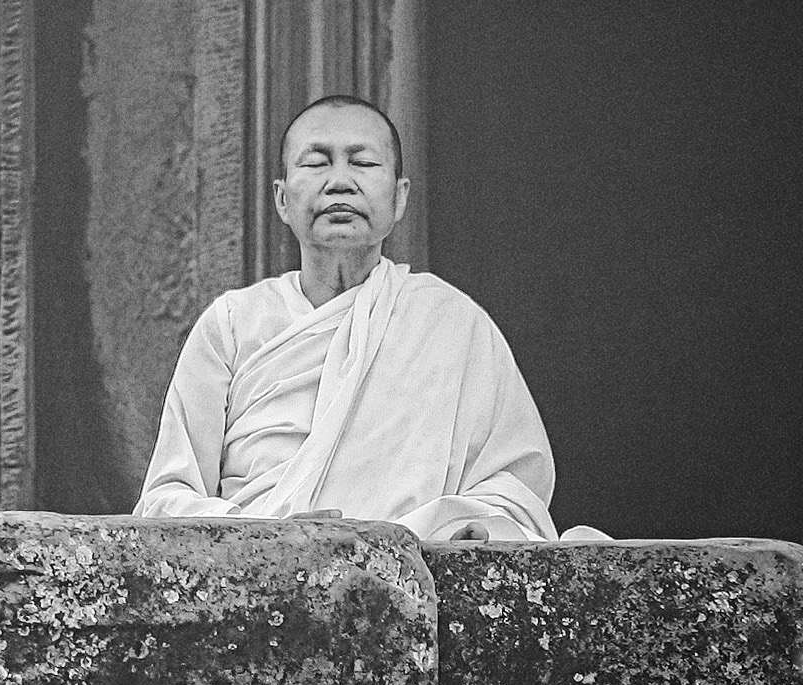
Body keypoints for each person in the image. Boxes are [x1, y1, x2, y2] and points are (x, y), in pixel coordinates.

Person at [134, 94, 594, 541]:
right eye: (316, 162)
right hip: (257, 584)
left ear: (398, 198)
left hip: (415, 579)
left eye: (364, 163)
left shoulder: (453, 323)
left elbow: (514, 489)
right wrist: (269, 539)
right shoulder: (232, 324)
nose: (339, 181)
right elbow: (167, 498)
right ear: (281, 199)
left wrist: (477, 527)